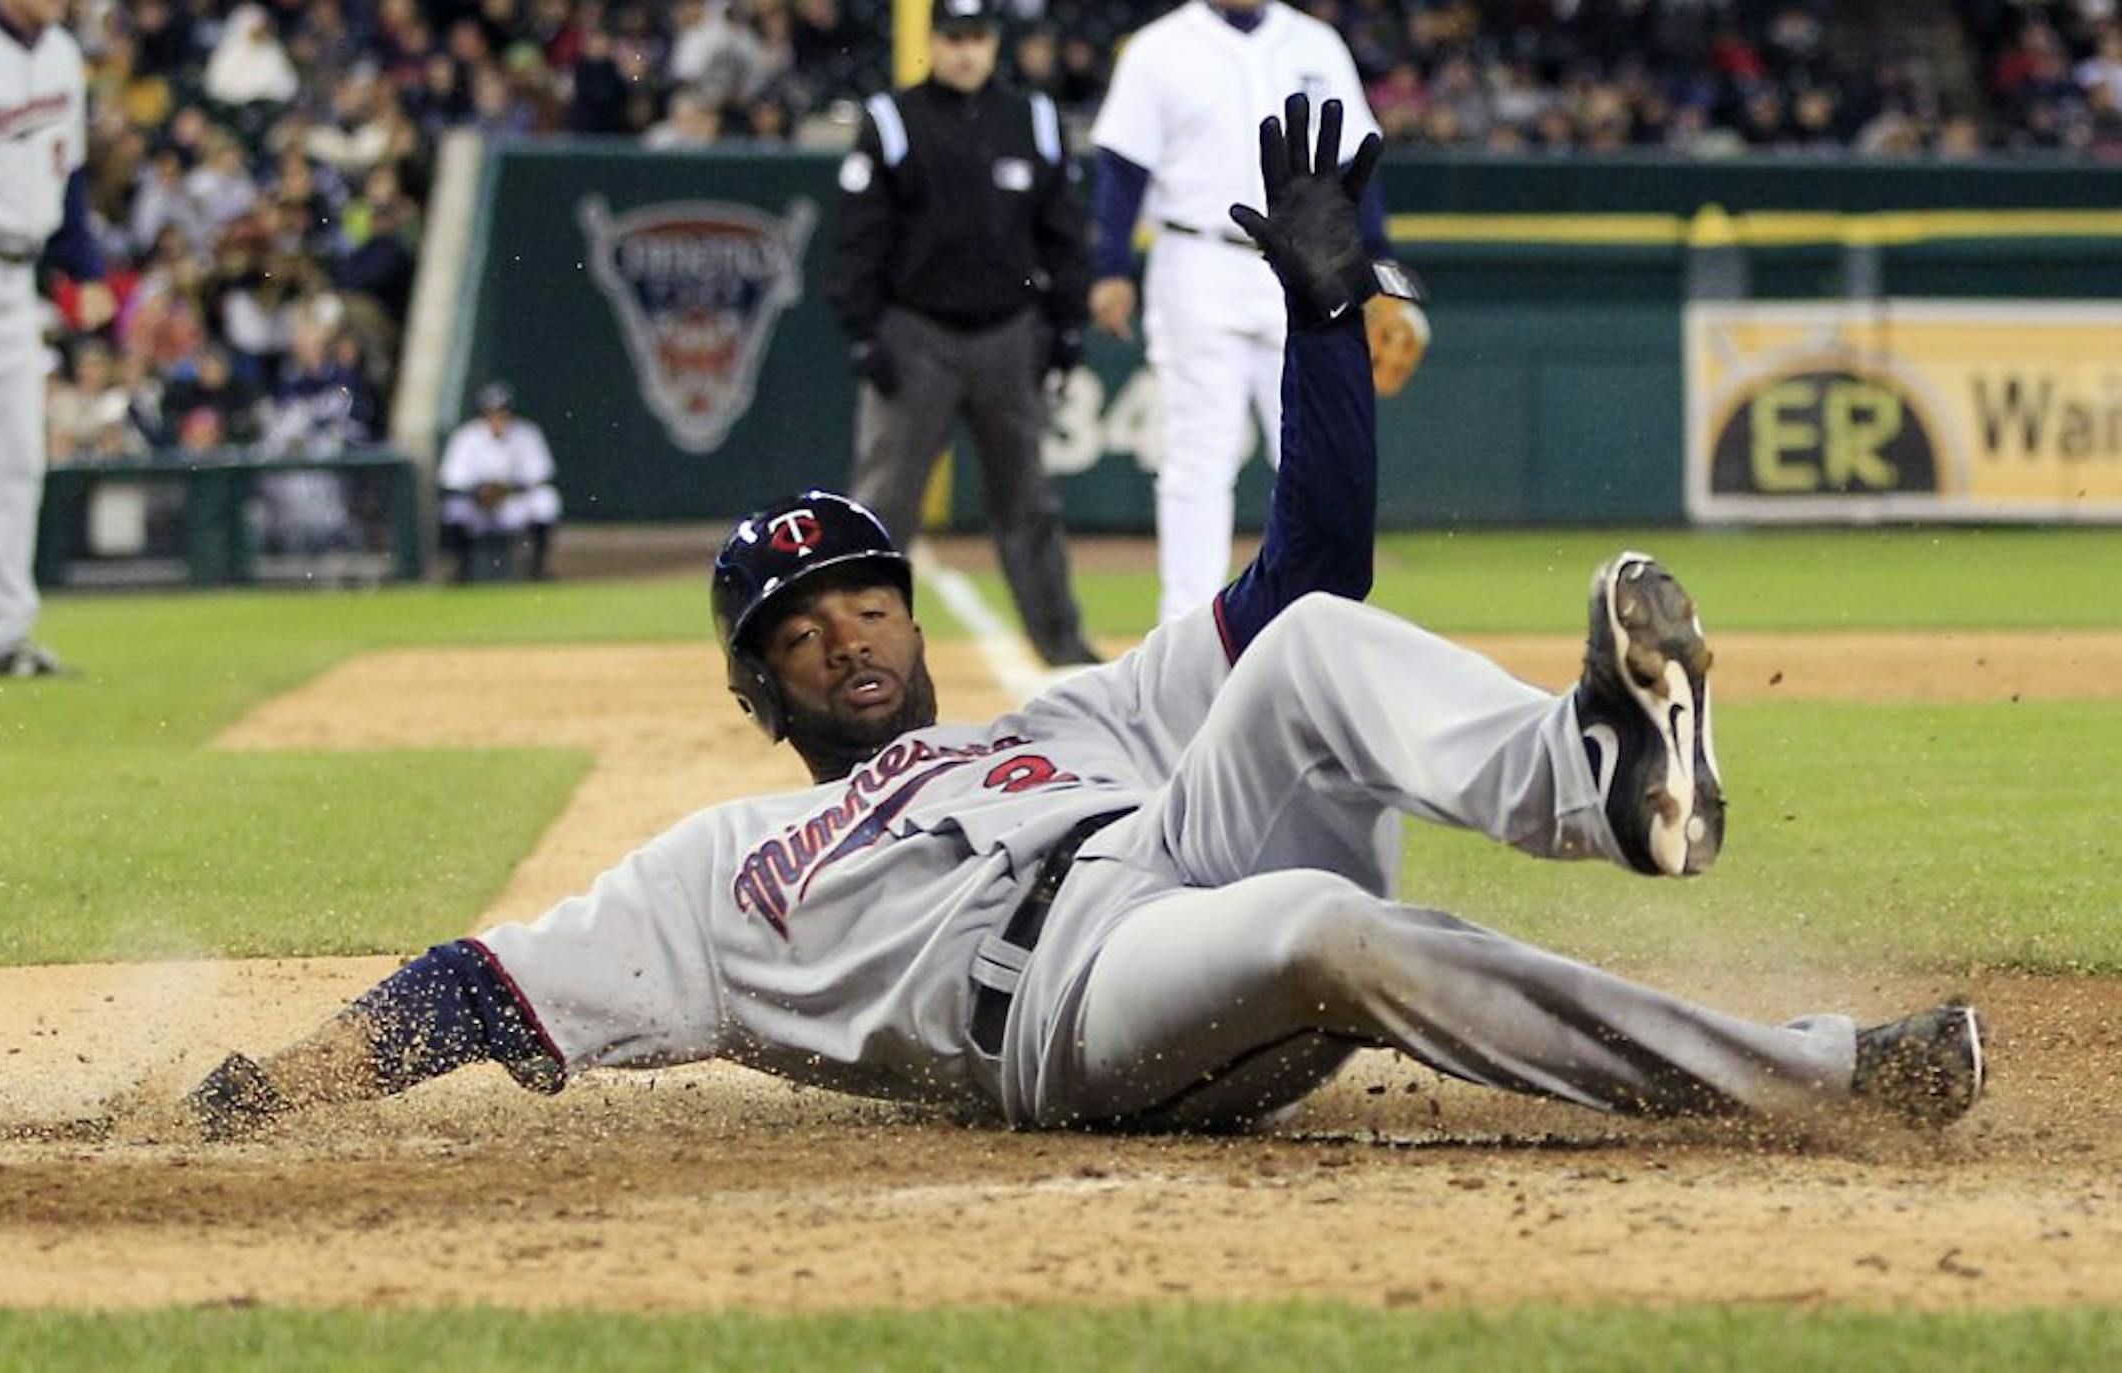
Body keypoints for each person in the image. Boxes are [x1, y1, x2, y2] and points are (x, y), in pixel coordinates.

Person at [182, 98, 1984, 1145]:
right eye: (804, 629)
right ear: (760, 684)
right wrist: (280, 1079)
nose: (851, 635)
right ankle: (1829, 1072)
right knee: (1322, 923)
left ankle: (1606, 780)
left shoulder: (1062, 711)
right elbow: (478, 986)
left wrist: (1323, 326)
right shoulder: (717, 870)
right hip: (1066, 1008)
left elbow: (1319, 565)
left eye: (869, 595)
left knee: (1295, 655)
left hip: (1158, 840)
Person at [1089, 0, 1425, 624]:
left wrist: (1379, 270)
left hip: (1309, 270)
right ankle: (1185, 629)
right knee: (1197, 458)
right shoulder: (1160, 48)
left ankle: (1323, 619)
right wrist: (1110, 267)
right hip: (1197, 257)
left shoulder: (1318, 43)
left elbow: (1359, 167)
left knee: (1320, 448)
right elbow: (1122, 167)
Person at [824, 0, 1101, 669]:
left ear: (993, 43)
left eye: (976, 37)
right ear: (934, 42)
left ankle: (1064, 653)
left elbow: (1063, 232)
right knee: (884, 509)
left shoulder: (1034, 118)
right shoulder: (893, 120)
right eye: (952, 37)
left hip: (1010, 333)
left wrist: (1068, 323)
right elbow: (858, 238)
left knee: (1028, 504)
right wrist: (863, 330)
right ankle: (859, 654)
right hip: (915, 332)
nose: (965, 52)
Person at [0, 0, 115, 678]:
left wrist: (84, 269)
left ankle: (5, 635)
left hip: (20, 279)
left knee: (22, 457)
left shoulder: (61, 56)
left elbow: (69, 176)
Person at [436, 380, 561, 582]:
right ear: (483, 413)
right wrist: (481, 492)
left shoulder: (526, 433)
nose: (497, 417)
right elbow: (452, 479)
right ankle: (461, 570)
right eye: (491, 412)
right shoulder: (467, 436)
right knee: (454, 509)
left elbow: (539, 475)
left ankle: (538, 568)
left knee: (546, 501)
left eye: (502, 411)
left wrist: (505, 489)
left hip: (512, 503)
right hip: (479, 506)